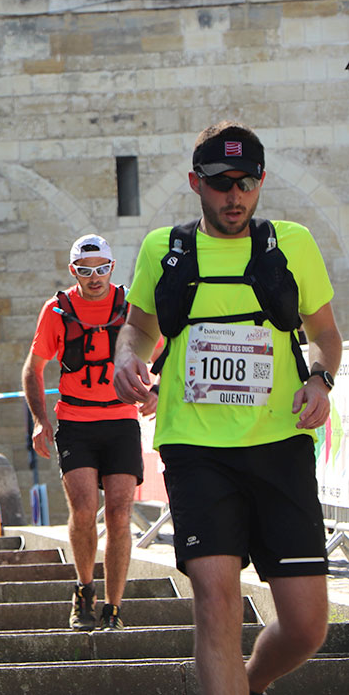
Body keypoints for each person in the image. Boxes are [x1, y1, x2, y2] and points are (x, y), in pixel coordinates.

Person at [113, 121, 341, 695]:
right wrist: (125, 357)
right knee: (216, 605)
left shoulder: (292, 244)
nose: (233, 196)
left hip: (281, 445)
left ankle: (249, 683)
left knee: (307, 626)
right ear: (196, 183)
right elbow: (138, 329)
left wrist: (320, 379)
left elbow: (326, 335)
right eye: (220, 183)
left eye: (245, 182)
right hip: (195, 449)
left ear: (260, 183)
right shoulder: (164, 250)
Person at [23, 234, 147, 631]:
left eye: (101, 269)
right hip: (76, 421)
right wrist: (42, 420)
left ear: (112, 268)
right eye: (84, 270)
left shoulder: (130, 308)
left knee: (119, 513)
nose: (94, 278)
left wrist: (157, 389)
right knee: (82, 510)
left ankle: (113, 607)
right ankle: (84, 588)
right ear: (73, 270)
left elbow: (162, 349)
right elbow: (33, 369)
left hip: (121, 418)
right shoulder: (56, 311)